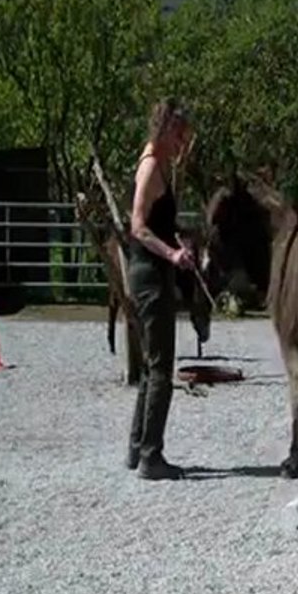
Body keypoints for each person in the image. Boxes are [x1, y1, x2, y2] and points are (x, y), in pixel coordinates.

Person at [125, 98, 196, 480]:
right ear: (167, 128)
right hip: (150, 275)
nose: (184, 141)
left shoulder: (161, 164)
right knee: (161, 368)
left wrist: (178, 238)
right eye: (181, 133)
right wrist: (172, 254)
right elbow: (137, 226)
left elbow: (158, 220)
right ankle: (152, 456)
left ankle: (138, 447)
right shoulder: (151, 166)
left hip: (153, 272)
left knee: (153, 364)